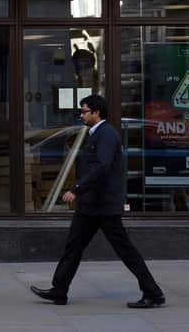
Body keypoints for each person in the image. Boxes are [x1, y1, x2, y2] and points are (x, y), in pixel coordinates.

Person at [30, 94, 165, 308]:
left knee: (125, 250)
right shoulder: (95, 134)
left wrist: (76, 188)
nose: (81, 115)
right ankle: (59, 290)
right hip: (90, 206)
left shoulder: (107, 135)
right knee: (73, 246)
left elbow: (101, 167)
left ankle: (153, 293)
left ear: (96, 112)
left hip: (104, 206)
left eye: (84, 111)